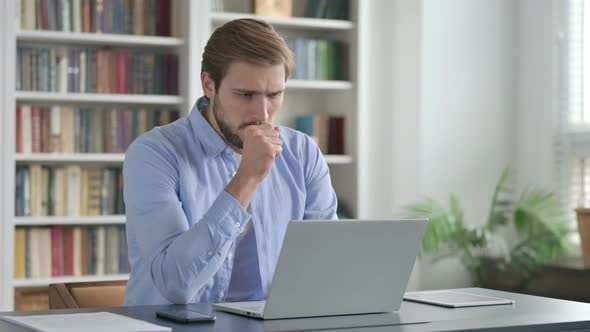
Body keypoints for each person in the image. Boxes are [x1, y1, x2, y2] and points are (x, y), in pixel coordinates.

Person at [123, 18, 338, 305]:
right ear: (208, 85)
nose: (262, 113)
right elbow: (175, 284)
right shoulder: (154, 154)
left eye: (274, 95)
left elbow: (328, 265)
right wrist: (247, 178)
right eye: (245, 95)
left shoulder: (303, 153)